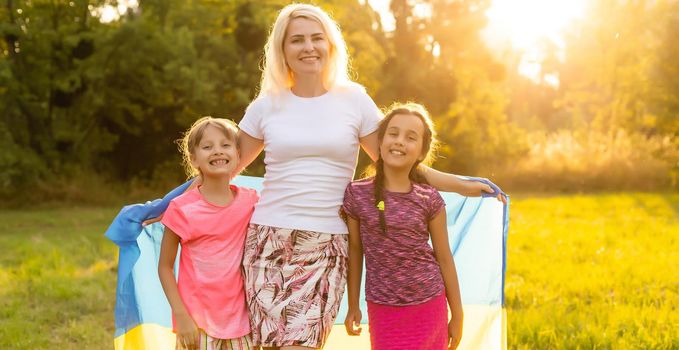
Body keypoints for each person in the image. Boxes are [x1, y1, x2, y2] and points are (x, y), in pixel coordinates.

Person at [234, 4, 503, 350]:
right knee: (269, 345)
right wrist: (168, 202)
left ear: (330, 45)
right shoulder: (265, 105)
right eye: (297, 40)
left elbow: (400, 164)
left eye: (317, 38)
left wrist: (463, 185)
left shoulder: (353, 100)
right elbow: (223, 167)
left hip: (328, 244)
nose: (308, 47)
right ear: (282, 50)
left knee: (300, 344)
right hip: (268, 243)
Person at [341, 103, 463, 350]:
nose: (399, 142)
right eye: (393, 133)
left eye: (410, 137)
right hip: (382, 307)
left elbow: (444, 258)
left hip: (429, 303)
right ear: (381, 141)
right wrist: (353, 305)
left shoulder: (428, 198)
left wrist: (457, 315)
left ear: (420, 152)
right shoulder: (357, 194)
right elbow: (355, 251)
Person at [157, 117, 259, 350]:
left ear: (237, 153)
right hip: (196, 325)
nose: (217, 152)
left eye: (225, 145)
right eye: (207, 146)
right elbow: (164, 266)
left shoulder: (251, 201)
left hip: (243, 324)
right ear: (194, 159)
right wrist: (181, 316)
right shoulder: (182, 208)